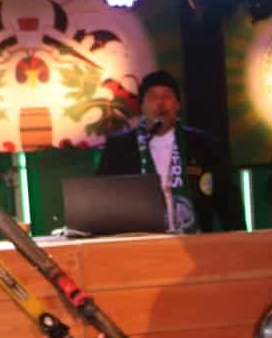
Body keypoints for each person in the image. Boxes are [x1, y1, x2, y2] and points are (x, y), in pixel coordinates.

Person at [96, 69, 235, 233]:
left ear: (177, 105)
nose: (160, 102)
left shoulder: (203, 145)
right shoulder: (120, 148)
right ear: (141, 106)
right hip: (138, 241)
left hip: (194, 240)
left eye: (167, 95)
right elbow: (101, 202)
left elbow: (227, 202)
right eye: (152, 97)